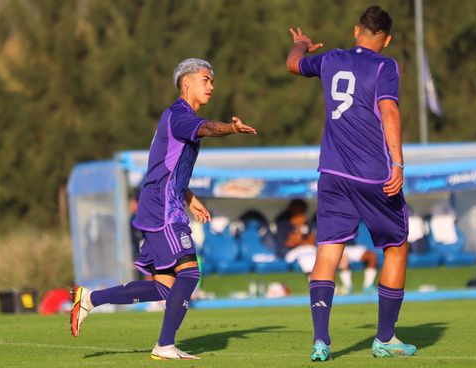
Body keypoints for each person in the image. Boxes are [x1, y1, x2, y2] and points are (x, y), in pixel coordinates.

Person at [70, 58, 257, 360]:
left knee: (165, 288)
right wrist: (231, 129)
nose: (211, 85)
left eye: (212, 80)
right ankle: (165, 346)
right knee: (190, 274)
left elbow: (168, 167)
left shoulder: (178, 117)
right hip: (162, 209)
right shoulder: (180, 115)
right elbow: (209, 128)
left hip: (164, 204)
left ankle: (90, 299)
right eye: (205, 79)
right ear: (187, 83)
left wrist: (189, 195)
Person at [286, 6, 416, 360]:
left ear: (355, 30)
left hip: (332, 173)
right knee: (397, 245)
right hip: (372, 174)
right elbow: (389, 110)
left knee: (328, 251)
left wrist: (301, 44)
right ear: (386, 39)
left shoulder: (329, 60)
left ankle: (321, 341)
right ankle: (385, 338)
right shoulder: (384, 66)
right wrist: (398, 162)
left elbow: (293, 64)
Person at [275, 199, 317, 274]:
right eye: (298, 208)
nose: (300, 212)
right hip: (290, 252)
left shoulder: (306, 222)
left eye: (302, 209)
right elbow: (289, 243)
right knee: (306, 259)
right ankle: (312, 281)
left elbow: (312, 241)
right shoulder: (284, 222)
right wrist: (298, 229)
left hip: (308, 249)